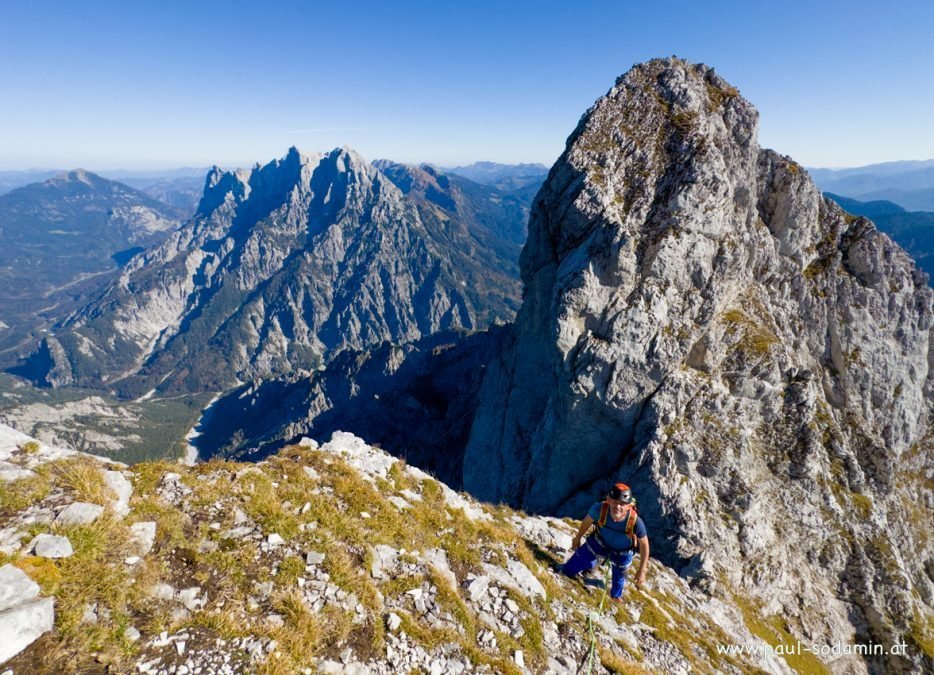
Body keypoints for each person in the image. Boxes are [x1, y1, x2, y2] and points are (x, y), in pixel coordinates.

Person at [561, 483, 650, 600]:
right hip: (600, 542)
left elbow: (644, 544)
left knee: (618, 578)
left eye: (622, 504)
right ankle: (590, 565)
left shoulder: (635, 522)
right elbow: (587, 522)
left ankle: (615, 597)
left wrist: (642, 570)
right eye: (615, 501)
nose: (618, 506)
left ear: (628, 506)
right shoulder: (599, 509)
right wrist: (577, 538)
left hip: (622, 552)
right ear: (608, 500)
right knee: (568, 569)